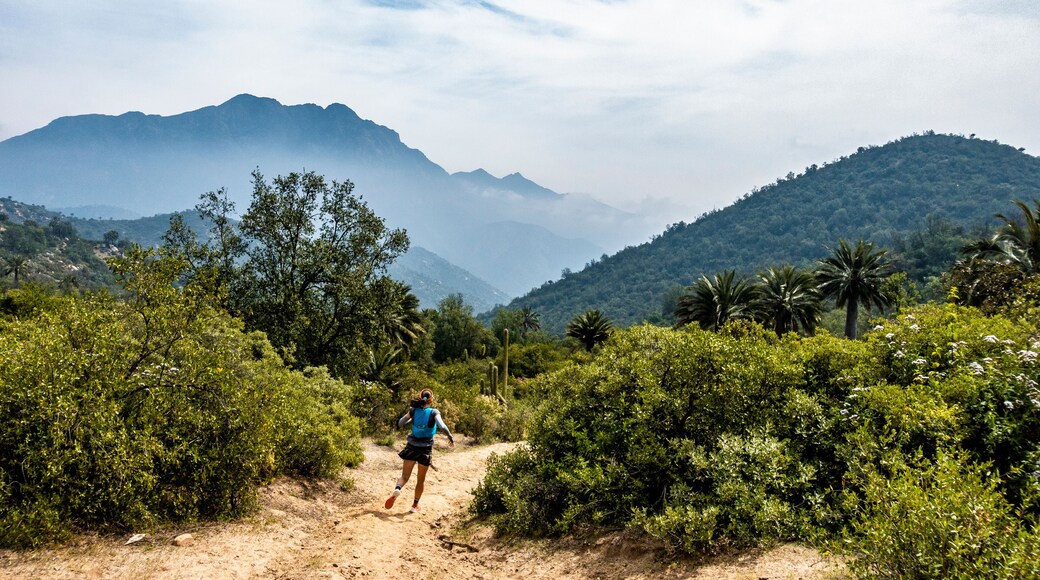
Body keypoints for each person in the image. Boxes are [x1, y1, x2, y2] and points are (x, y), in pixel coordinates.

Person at [385, 388, 454, 513]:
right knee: (420, 480)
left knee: (404, 476)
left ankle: (398, 488)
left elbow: (400, 423)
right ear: (431, 400)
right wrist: (450, 437)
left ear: (420, 398)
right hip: (425, 449)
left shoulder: (413, 410)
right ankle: (414, 505)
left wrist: (411, 418)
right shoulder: (434, 412)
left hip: (411, 446)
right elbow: (442, 426)